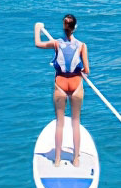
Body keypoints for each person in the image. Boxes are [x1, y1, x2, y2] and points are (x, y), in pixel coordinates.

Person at [35, 15, 88, 166]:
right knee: (76, 122)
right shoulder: (82, 45)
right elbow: (87, 70)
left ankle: (57, 159)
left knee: (60, 122)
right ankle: (76, 159)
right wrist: (83, 70)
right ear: (75, 27)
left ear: (63, 27)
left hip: (60, 85)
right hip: (76, 84)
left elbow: (38, 43)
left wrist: (37, 28)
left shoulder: (56, 43)